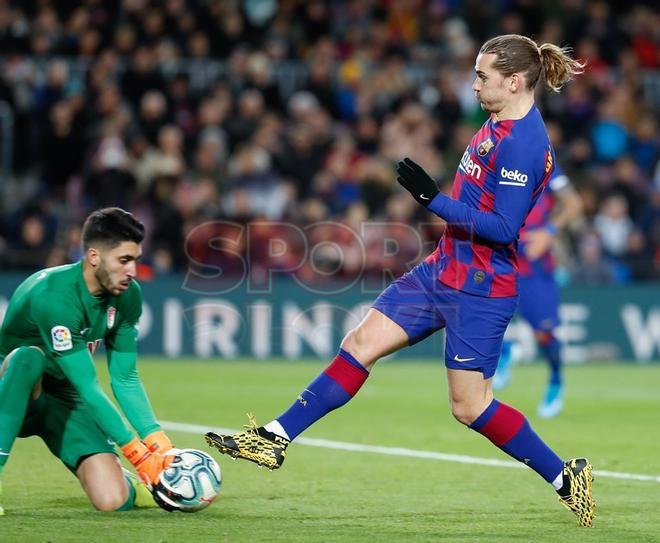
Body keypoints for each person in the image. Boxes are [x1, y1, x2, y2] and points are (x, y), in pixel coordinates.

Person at [205, 35, 595, 527]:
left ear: (514, 81)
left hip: (480, 287)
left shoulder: (524, 143)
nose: (472, 83)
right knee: (360, 340)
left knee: (470, 407)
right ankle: (273, 439)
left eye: (482, 75)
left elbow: (503, 228)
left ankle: (565, 477)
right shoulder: (497, 122)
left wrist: (432, 199)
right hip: (442, 268)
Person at [0, 207, 174, 515]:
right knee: (27, 359)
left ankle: (130, 487)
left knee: (112, 500)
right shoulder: (54, 296)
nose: (133, 270)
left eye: (135, 259)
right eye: (124, 260)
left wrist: (156, 441)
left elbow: (125, 378)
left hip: (64, 396)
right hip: (12, 390)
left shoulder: (128, 295)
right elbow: (89, 385)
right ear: (94, 257)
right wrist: (135, 452)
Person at [492, 164, 584, 419]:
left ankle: (555, 380)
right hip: (499, 253)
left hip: (534, 260)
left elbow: (574, 204)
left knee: (544, 331)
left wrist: (550, 232)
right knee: (480, 311)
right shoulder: (494, 161)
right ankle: (505, 350)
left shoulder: (548, 167)